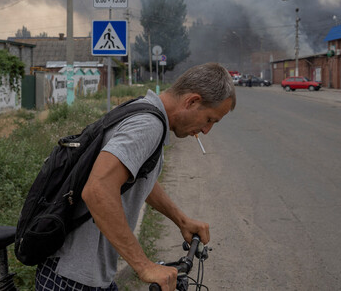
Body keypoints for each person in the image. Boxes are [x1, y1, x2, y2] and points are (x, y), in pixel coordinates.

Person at [35, 62, 236, 291]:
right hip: (73, 279)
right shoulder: (147, 125)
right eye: (209, 119)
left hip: (83, 272)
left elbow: (137, 177)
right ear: (191, 101)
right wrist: (144, 266)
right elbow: (97, 189)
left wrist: (181, 220)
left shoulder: (144, 109)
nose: (207, 130)